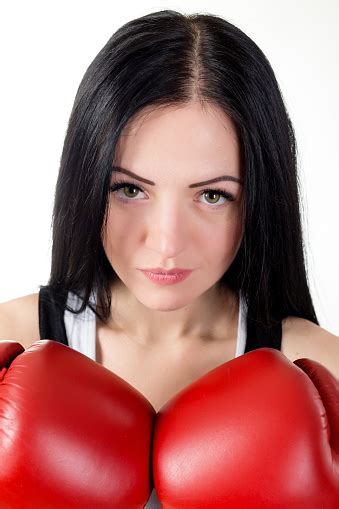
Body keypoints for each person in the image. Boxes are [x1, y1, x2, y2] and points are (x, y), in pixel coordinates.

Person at [0, 9, 338, 507]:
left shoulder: (320, 368)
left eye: (212, 196)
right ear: (86, 182)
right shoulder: (11, 344)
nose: (166, 243)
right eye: (131, 188)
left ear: (258, 200)